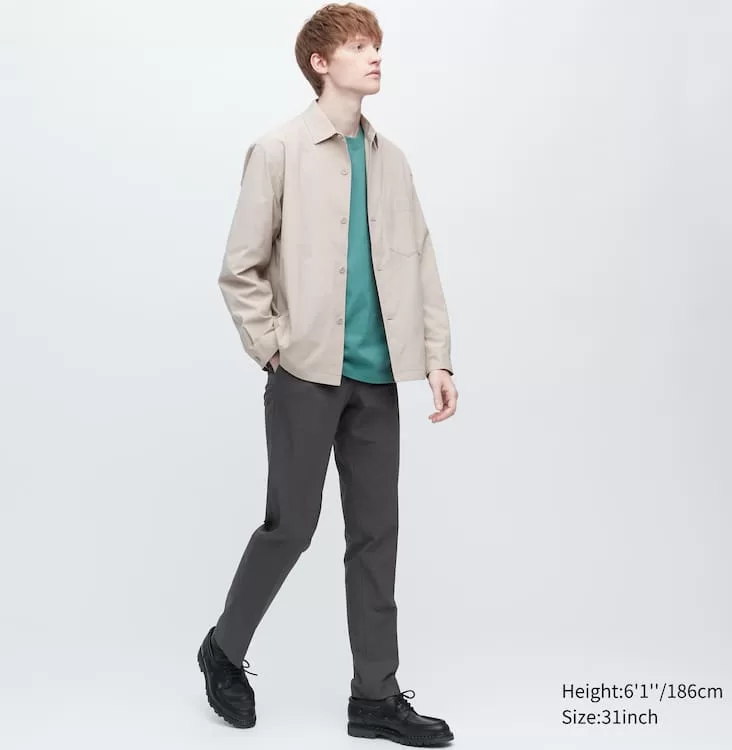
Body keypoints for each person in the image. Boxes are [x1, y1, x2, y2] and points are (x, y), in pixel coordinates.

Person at [197, 3, 458, 745]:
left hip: (378, 380)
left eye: (377, 44)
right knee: (293, 526)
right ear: (320, 62)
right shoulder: (277, 151)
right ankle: (223, 649)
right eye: (357, 45)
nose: (375, 56)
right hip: (305, 375)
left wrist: (437, 356)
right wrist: (271, 347)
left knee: (377, 535)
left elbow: (421, 260)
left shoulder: (391, 160)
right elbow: (240, 268)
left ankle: (375, 696)